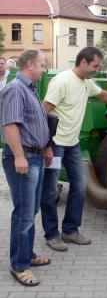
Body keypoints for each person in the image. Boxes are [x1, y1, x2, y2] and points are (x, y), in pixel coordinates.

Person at [40, 46, 107, 251]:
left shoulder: (87, 82)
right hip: (55, 144)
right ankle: (51, 234)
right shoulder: (62, 82)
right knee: (49, 191)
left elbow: (104, 96)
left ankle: (70, 230)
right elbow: (43, 113)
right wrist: (45, 145)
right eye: (95, 66)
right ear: (83, 62)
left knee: (80, 186)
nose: (97, 70)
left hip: (72, 144)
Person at [1, 49, 52, 286]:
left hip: (36, 157)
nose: (45, 69)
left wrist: (47, 147)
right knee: (23, 214)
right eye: (42, 65)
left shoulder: (30, 89)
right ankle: (19, 265)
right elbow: (10, 126)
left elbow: (38, 122)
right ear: (30, 65)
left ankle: (28, 255)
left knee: (30, 212)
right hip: (23, 159)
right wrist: (19, 157)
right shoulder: (15, 89)